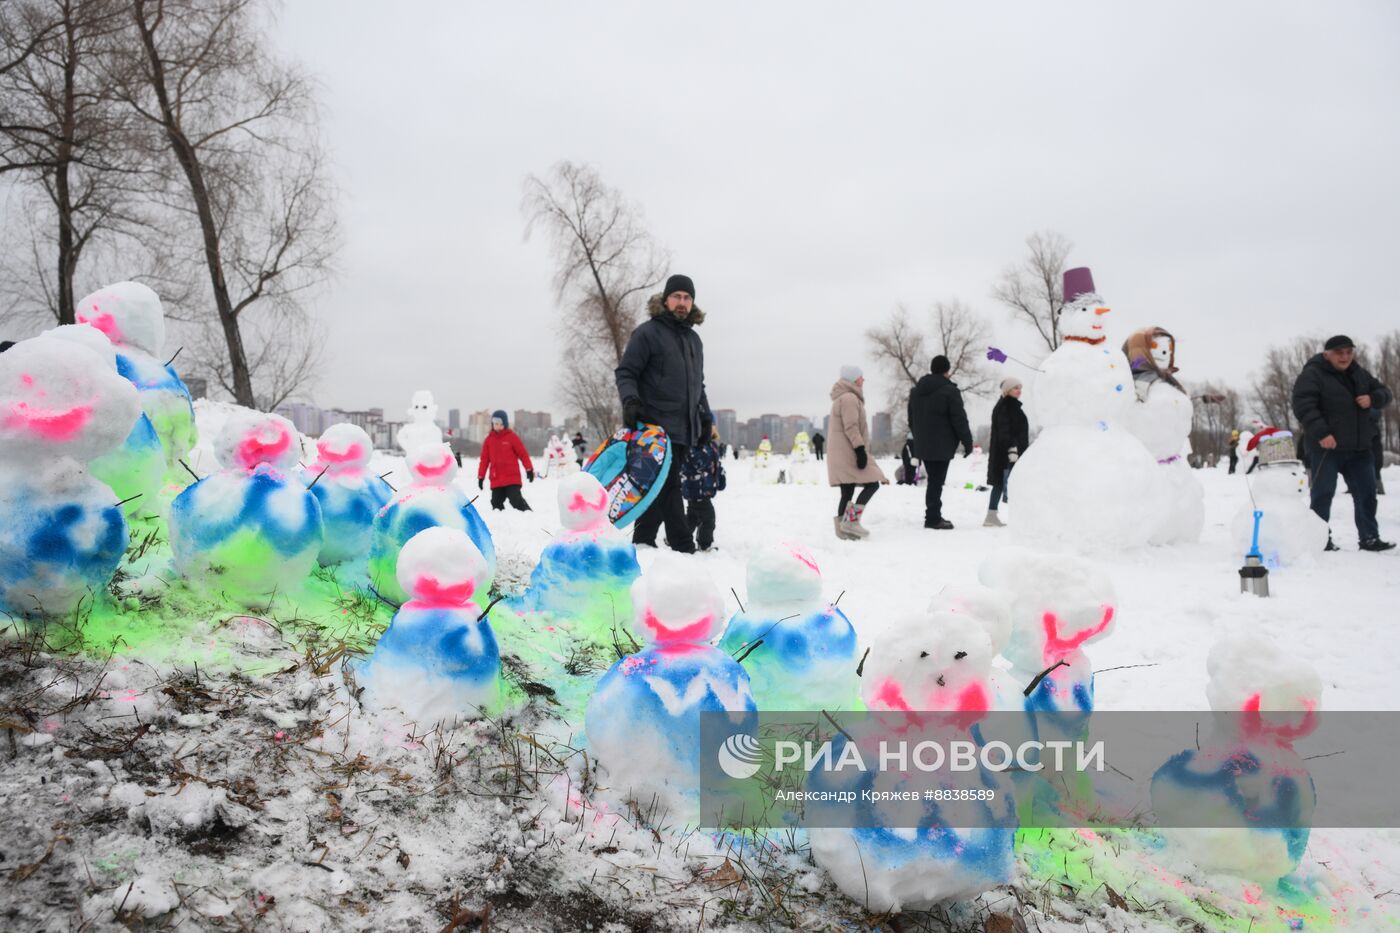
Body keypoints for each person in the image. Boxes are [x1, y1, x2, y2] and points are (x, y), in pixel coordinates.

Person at [615, 273, 711, 553]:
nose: (682, 302)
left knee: (658, 490)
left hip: (683, 429)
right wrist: (630, 401)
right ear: (666, 300)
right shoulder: (648, 333)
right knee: (670, 488)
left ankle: (643, 541)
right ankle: (683, 546)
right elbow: (626, 372)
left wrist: (705, 417)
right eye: (677, 296)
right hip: (654, 427)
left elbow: (698, 385)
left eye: (687, 297)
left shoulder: (695, 340)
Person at [1291, 335, 1394, 551]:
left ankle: (1369, 538)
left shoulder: (1359, 373)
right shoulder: (1313, 374)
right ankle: (1320, 540)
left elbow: (1386, 393)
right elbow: (1303, 406)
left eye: (1349, 352)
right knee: (1322, 495)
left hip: (1359, 448)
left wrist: (1373, 399)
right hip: (1327, 447)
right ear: (1327, 354)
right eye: (1339, 352)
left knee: (1367, 494)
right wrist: (1322, 433)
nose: (1345, 357)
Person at [908, 355, 973, 530]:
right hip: (943, 444)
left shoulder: (916, 392)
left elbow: (911, 419)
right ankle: (933, 518)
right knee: (936, 481)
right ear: (947, 370)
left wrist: (919, 437)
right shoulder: (950, 391)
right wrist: (967, 442)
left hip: (924, 444)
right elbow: (959, 419)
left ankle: (933, 515)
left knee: (933, 481)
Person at [827, 365, 887, 539]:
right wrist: (860, 449)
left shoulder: (843, 398)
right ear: (854, 379)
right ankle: (851, 522)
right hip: (848, 451)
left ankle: (843, 530)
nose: (863, 380)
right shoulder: (849, 398)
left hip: (842, 452)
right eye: (861, 377)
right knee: (873, 483)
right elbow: (851, 427)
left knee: (847, 490)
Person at [984, 378, 1029, 527]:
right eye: (1015, 388)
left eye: (1020, 387)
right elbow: (1005, 431)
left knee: (1002, 484)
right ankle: (993, 516)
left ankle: (992, 515)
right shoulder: (1005, 407)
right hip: (1007, 454)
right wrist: (1012, 448)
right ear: (1007, 390)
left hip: (1010, 453)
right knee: (1002, 484)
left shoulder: (1012, 406)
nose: (1019, 390)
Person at [477, 410, 534, 511]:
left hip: (512, 477)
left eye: (500, 424)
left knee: (515, 500)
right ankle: (501, 522)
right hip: (496, 478)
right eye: (495, 424)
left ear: (505, 424)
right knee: (496, 502)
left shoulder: (512, 437)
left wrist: (529, 469)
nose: (497, 426)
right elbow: (484, 460)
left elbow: (523, 454)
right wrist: (481, 477)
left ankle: (528, 514)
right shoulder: (489, 440)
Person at [680, 426, 726, 551]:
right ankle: (704, 544)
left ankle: (678, 537)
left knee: (693, 517)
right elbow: (694, 463)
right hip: (696, 488)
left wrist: (721, 477)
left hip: (704, 488)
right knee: (708, 518)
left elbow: (715, 464)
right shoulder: (694, 445)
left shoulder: (712, 445)